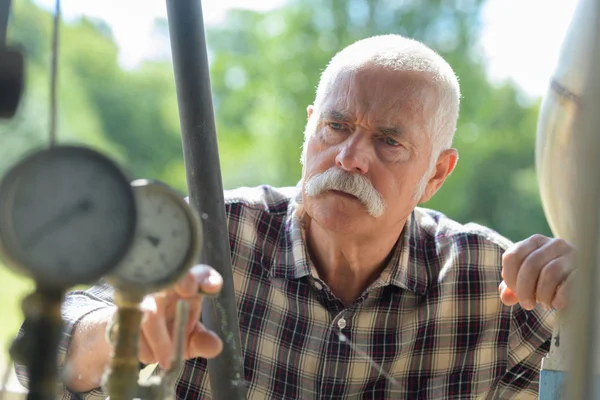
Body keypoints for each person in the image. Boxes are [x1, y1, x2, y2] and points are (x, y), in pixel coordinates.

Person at [14, 34, 575, 399]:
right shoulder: (214, 231)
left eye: (387, 142)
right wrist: (123, 333)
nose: (351, 158)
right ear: (308, 129)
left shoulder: (493, 284)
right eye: (336, 126)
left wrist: (585, 288)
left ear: (436, 174)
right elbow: (41, 344)